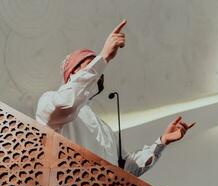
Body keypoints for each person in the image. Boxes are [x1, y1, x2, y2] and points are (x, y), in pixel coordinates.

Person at [36, 20, 195, 177]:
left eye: (98, 68)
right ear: (72, 73)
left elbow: (124, 169)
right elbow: (65, 104)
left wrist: (161, 142)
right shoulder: (49, 100)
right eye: (91, 65)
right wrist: (103, 57)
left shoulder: (105, 129)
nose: (98, 72)